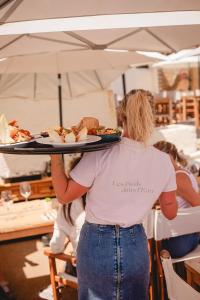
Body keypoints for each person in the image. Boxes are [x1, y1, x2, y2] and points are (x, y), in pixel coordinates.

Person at [50, 89, 177, 300]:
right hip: (135, 243)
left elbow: (63, 195)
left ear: (121, 116)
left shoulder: (100, 151)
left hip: (96, 244)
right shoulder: (164, 161)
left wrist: (55, 155)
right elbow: (170, 213)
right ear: (151, 116)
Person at [154, 141, 200, 258]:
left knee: (150, 241)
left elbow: (197, 203)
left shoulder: (177, 178)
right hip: (187, 234)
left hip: (184, 239)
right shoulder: (178, 173)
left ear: (169, 156)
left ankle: (161, 273)